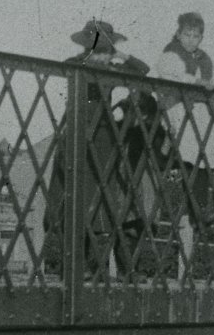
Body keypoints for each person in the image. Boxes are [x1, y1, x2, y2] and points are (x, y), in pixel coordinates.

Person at [43, 19, 150, 279]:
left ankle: (96, 265)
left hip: (104, 136)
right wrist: (94, 61)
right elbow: (68, 68)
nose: (100, 47)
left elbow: (142, 69)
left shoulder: (113, 65)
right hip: (79, 131)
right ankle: (72, 265)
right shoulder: (77, 61)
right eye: (97, 42)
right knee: (76, 195)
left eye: (105, 43)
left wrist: (119, 55)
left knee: (102, 197)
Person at [154, 12, 214, 216]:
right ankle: (198, 207)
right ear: (178, 34)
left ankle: (201, 207)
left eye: (196, 36)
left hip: (197, 111)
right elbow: (171, 74)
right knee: (191, 153)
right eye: (187, 35)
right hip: (177, 106)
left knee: (203, 154)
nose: (191, 40)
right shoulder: (171, 53)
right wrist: (197, 82)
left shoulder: (203, 58)